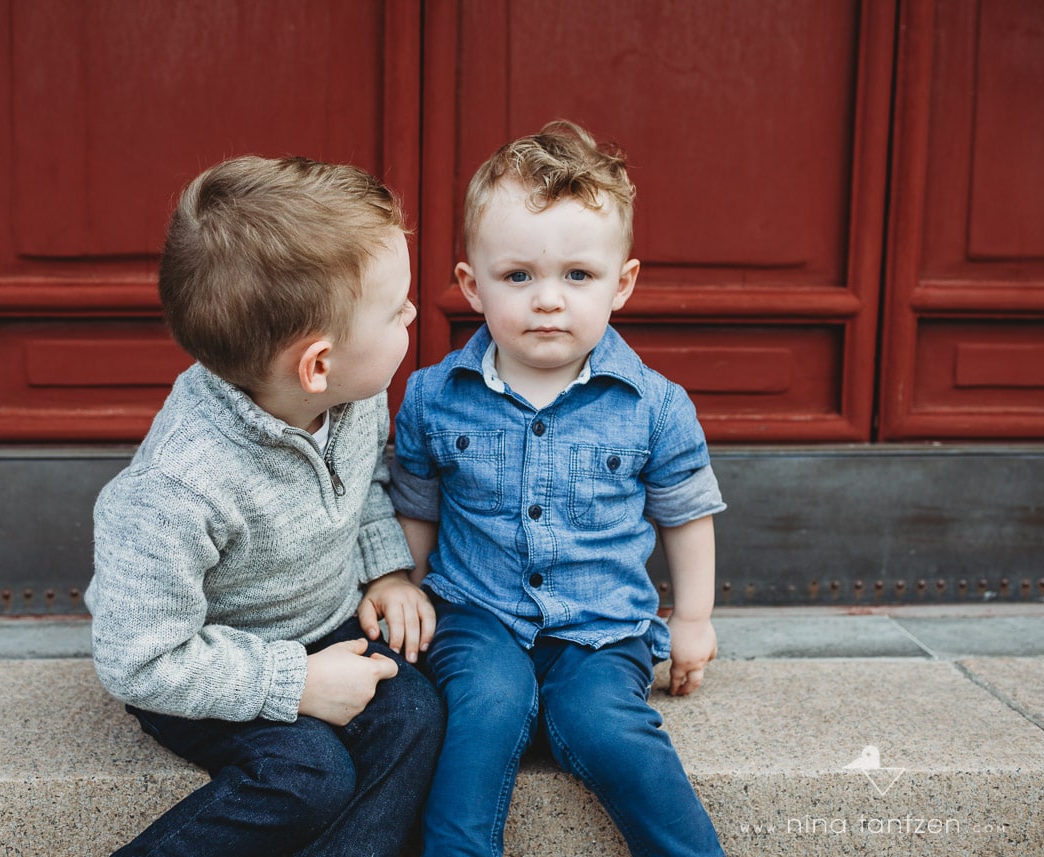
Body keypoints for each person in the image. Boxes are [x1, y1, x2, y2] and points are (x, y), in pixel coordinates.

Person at [86, 154, 443, 857]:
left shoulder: (355, 394)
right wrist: (296, 682)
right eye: (395, 308)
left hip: (322, 623)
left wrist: (385, 572)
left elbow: (364, 482)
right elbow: (139, 657)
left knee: (417, 714)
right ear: (318, 363)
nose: (411, 312)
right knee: (308, 773)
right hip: (208, 661)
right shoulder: (179, 484)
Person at [391, 121, 726, 857]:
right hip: (476, 615)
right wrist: (405, 591)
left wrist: (694, 618)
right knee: (485, 707)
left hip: (603, 627)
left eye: (578, 276)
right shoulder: (432, 397)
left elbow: (686, 513)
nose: (548, 300)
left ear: (622, 283)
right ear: (473, 286)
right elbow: (416, 508)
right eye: (519, 276)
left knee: (609, 726)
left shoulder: (654, 404)